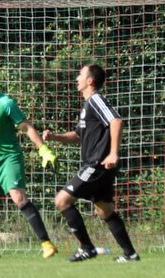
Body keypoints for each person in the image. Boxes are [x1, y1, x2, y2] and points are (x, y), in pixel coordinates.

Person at [43, 63, 140, 263]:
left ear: (90, 80)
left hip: (96, 164)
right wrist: (55, 137)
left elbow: (116, 121)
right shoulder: (89, 105)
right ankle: (130, 254)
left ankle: (86, 248)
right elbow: (78, 135)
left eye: (80, 75)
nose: (76, 78)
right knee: (105, 210)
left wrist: (113, 153)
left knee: (62, 201)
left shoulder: (96, 99)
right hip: (101, 165)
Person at [0, 64, 58, 259]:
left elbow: (27, 128)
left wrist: (43, 149)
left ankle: (47, 244)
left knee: (18, 198)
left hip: (9, 157)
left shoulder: (6, 103)